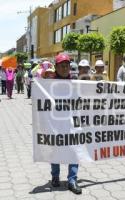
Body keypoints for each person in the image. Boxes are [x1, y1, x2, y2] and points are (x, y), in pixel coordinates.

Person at [45, 53, 82, 194]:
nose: (65, 67)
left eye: (67, 65)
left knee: (74, 150)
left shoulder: (75, 82)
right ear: (56, 67)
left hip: (71, 123)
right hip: (54, 123)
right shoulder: (48, 83)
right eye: (62, 65)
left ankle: (72, 180)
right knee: (56, 150)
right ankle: (55, 176)